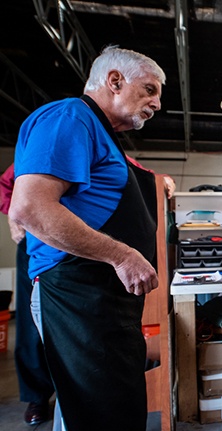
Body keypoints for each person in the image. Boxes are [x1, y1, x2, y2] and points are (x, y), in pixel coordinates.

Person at [9, 45, 166, 431]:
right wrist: (123, 256)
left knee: (99, 409)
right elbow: (30, 208)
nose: (157, 103)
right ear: (114, 81)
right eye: (149, 89)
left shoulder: (101, 134)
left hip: (104, 299)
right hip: (76, 294)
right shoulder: (69, 117)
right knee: (99, 414)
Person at [0, 164, 55, 426]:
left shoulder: (100, 141)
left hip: (79, 239)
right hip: (35, 239)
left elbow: (129, 169)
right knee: (32, 322)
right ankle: (37, 396)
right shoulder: (40, 142)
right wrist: (13, 214)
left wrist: (161, 178)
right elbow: (6, 185)